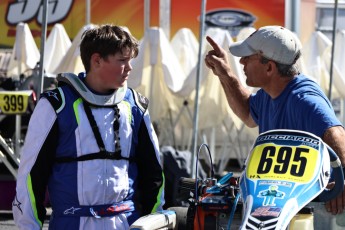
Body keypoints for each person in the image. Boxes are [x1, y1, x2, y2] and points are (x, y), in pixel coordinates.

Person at [12, 24, 165, 229]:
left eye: (130, 61)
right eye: (122, 61)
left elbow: (153, 173)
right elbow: (31, 176)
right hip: (71, 223)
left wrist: (154, 221)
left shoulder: (136, 106)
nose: (129, 68)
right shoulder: (55, 105)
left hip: (125, 223)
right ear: (97, 60)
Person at [204, 25, 345, 220]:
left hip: (309, 214)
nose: (242, 61)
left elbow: (336, 134)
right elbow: (246, 112)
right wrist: (224, 73)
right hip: (280, 209)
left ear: (269, 67)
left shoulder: (304, 100)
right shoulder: (268, 95)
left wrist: (342, 183)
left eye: (248, 57)